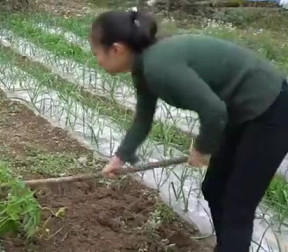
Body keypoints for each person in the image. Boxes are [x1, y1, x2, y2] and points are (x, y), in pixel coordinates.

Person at [90, 10, 288, 252]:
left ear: (117, 49)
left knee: (238, 205)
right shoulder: (144, 67)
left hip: (272, 108)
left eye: (97, 53)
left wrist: (203, 148)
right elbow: (143, 118)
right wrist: (120, 157)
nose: (97, 60)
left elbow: (214, 112)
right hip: (243, 111)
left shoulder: (158, 66)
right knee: (215, 188)